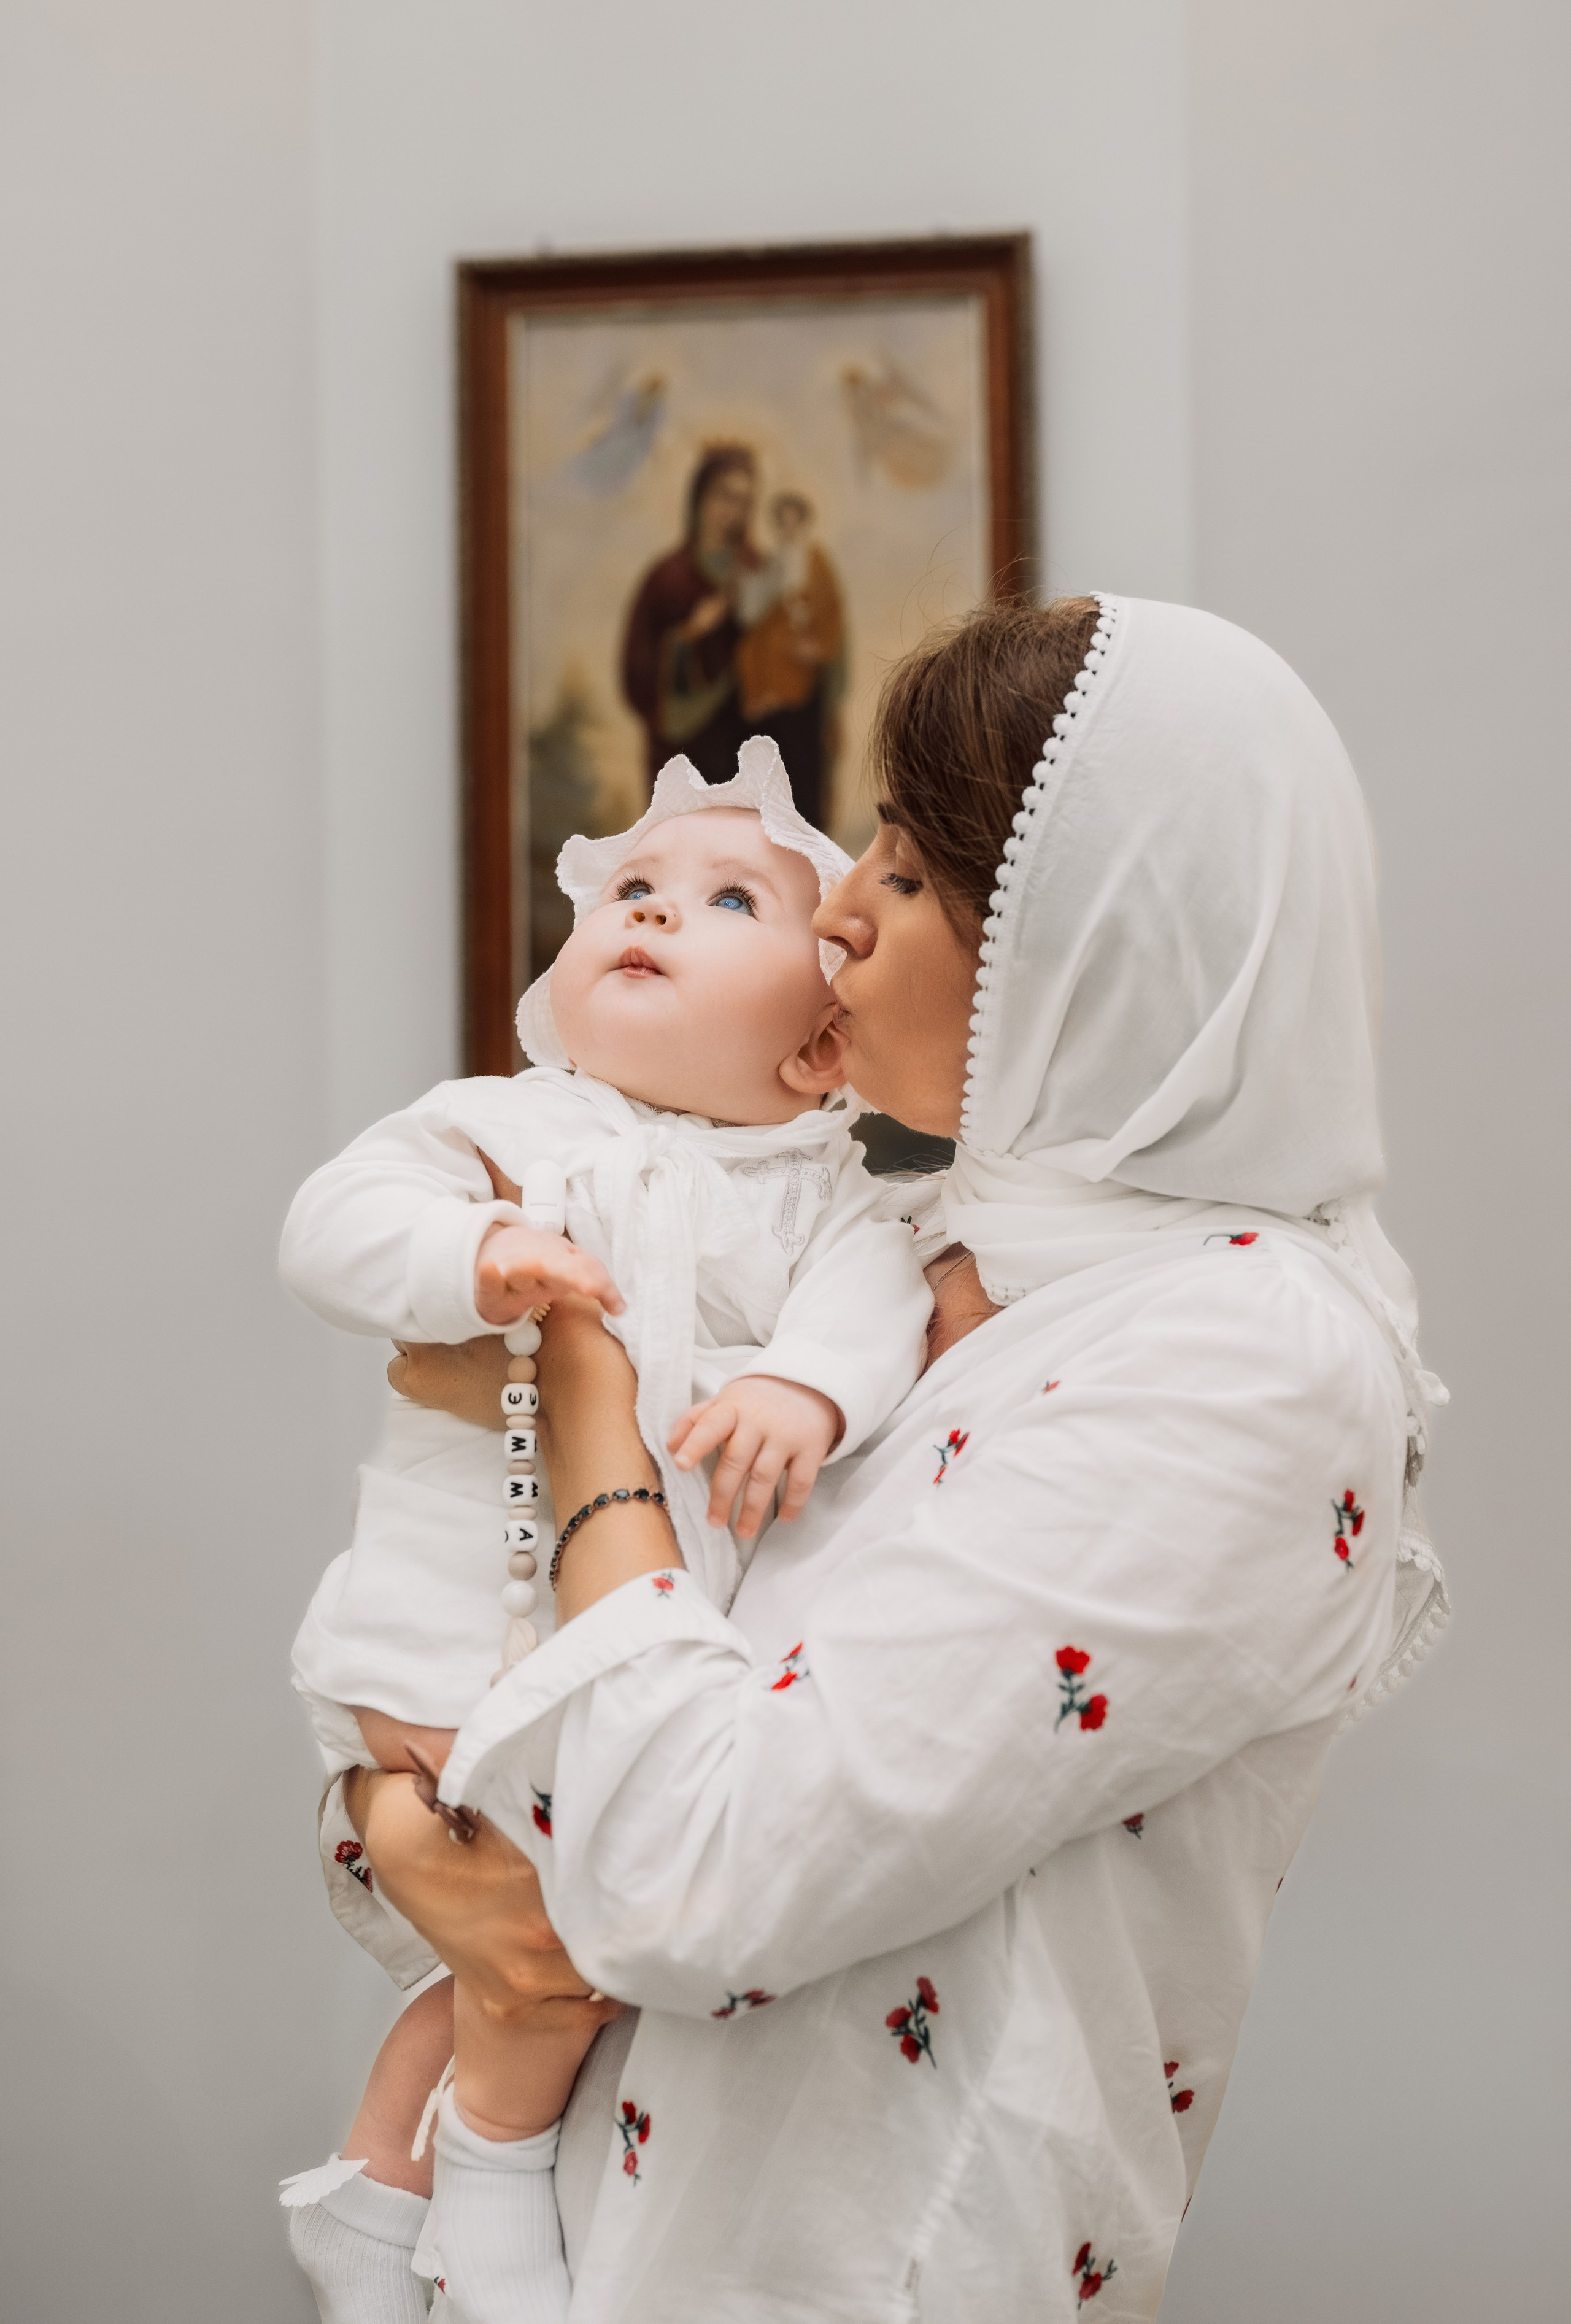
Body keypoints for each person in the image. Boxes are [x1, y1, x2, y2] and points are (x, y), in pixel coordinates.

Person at [341, 595, 1449, 2320]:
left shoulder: (1248, 1355)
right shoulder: (901, 1236)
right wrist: (389, 1821)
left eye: (916, 876)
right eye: (870, 840)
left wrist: (581, 1395)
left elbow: (698, 1872)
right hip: (568, 2237)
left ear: (1099, 945)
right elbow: (489, 1688)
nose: (839, 914)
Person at [276, 742, 933, 2323]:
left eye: (724, 899)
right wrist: (473, 1248)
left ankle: (374, 2195)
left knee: (531, 1944)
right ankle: (492, 2185)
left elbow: (877, 1302)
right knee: (541, 1932)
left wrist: (801, 1387)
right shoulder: (506, 1126)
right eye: (628, 890)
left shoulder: (833, 1193)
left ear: (815, 1052)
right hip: (445, 1626)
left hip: (627, 1651)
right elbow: (330, 1224)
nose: (652, 909)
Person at [619, 444, 765, 788]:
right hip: (682, 752)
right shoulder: (667, 579)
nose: (734, 511)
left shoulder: (757, 573)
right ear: (700, 499)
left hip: (744, 745)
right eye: (725, 496)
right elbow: (636, 671)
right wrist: (692, 633)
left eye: (745, 501)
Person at [734, 490, 846, 828]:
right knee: (771, 770)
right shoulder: (770, 565)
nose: (788, 530)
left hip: (803, 684)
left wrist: (817, 647)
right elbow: (753, 624)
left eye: (793, 522)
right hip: (772, 684)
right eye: (782, 523)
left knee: (804, 767)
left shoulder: (816, 562)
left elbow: (831, 616)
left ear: (803, 523)